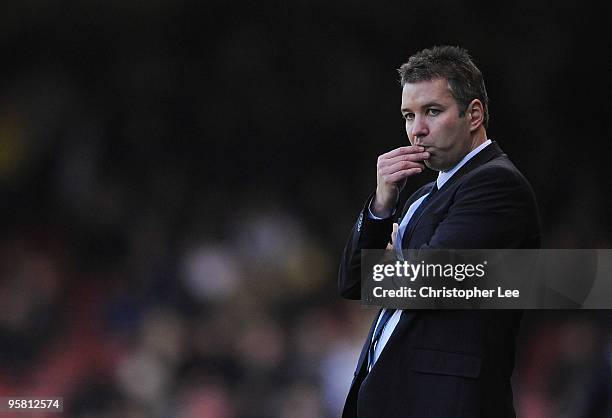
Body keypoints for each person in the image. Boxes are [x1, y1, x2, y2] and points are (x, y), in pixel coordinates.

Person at [338, 46, 541, 418]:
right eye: (408, 115)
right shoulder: (421, 194)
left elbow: (427, 281)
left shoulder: (496, 183)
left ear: (474, 114)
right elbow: (354, 284)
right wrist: (381, 205)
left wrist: (389, 266)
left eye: (432, 111)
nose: (417, 130)